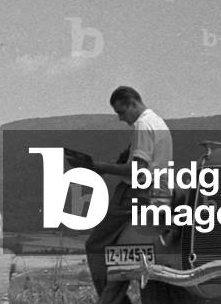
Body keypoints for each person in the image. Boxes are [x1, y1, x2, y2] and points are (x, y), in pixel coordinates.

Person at [84, 86, 173, 303]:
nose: (121, 118)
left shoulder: (142, 125)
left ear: (133, 103)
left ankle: (112, 298)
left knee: (96, 245)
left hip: (135, 193)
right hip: (158, 194)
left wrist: (102, 167)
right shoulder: (159, 123)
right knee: (125, 249)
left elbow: (138, 170)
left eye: (121, 112)